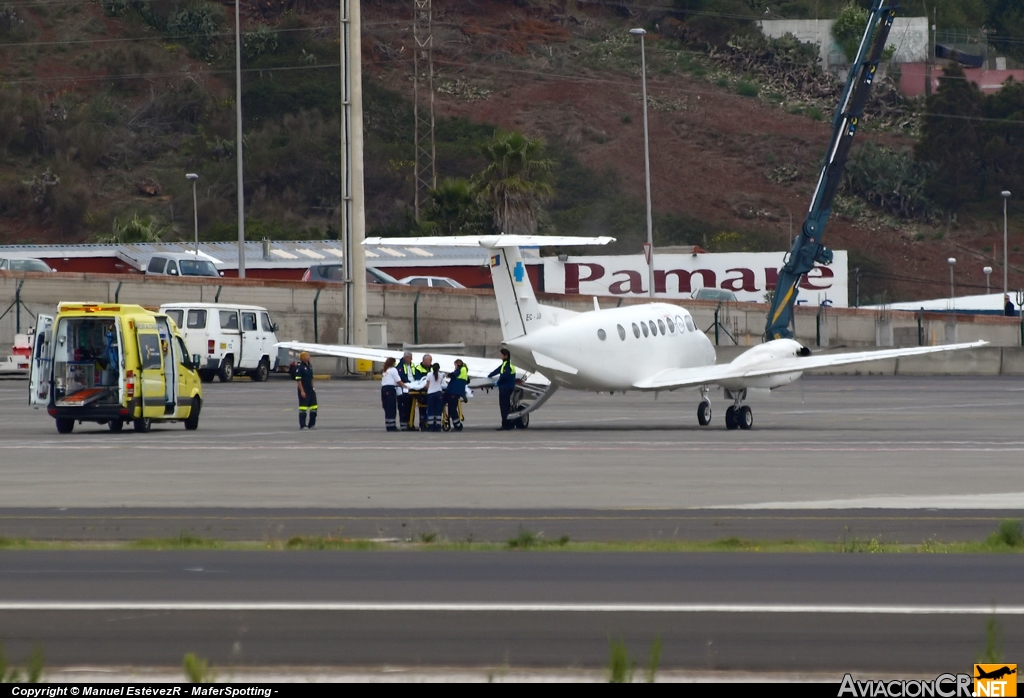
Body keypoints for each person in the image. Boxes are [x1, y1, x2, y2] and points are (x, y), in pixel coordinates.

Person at [488, 348, 516, 430]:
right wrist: (490, 375)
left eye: (501, 355)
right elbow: (498, 370)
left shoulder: (507, 365)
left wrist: (498, 383)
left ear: (505, 356)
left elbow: (504, 376)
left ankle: (505, 424)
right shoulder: (507, 363)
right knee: (507, 406)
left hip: (505, 388)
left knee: (504, 406)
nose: (500, 356)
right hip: (508, 387)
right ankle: (509, 423)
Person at [380, 357, 407, 432]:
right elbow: (398, 380)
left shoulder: (385, 370)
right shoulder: (393, 370)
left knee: (387, 407)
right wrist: (405, 386)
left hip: (384, 389)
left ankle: (389, 424)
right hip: (390, 389)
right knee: (391, 407)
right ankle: (392, 426)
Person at [291, 351, 317, 429]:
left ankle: (311, 424)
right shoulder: (300, 367)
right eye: (307, 356)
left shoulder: (309, 366)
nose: (309, 357)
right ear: (303, 358)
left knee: (314, 407)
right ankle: (303, 425)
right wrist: (302, 391)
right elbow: (299, 380)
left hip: (310, 390)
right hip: (304, 389)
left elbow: (312, 378)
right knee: (303, 408)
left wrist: (313, 388)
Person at [444, 359, 469, 431]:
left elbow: (454, 375)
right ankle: (456, 424)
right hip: (456, 391)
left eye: (455, 365)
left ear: (457, 364)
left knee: (452, 409)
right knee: (452, 409)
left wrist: (447, 375)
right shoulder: (464, 370)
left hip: (454, 392)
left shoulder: (461, 369)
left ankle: (458, 425)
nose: (454, 367)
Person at [409, 353, 432, 431]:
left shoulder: (431, 368)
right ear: (424, 361)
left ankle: (429, 423)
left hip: (430, 390)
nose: (431, 362)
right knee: (422, 406)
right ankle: (423, 423)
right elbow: (419, 380)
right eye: (430, 360)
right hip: (422, 392)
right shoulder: (418, 368)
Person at [396, 351, 414, 431]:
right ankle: (404, 425)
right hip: (403, 390)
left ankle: (410, 424)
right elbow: (401, 377)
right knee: (403, 408)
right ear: (406, 358)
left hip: (411, 388)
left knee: (410, 407)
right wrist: (409, 383)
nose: (411, 359)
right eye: (410, 358)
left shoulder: (412, 365)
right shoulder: (400, 366)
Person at [424, 362, 445, 432]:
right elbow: (441, 383)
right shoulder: (441, 375)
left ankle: (431, 426)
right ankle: (438, 426)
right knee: (438, 410)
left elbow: (427, 385)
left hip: (431, 394)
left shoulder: (429, 374)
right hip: (439, 393)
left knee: (431, 410)